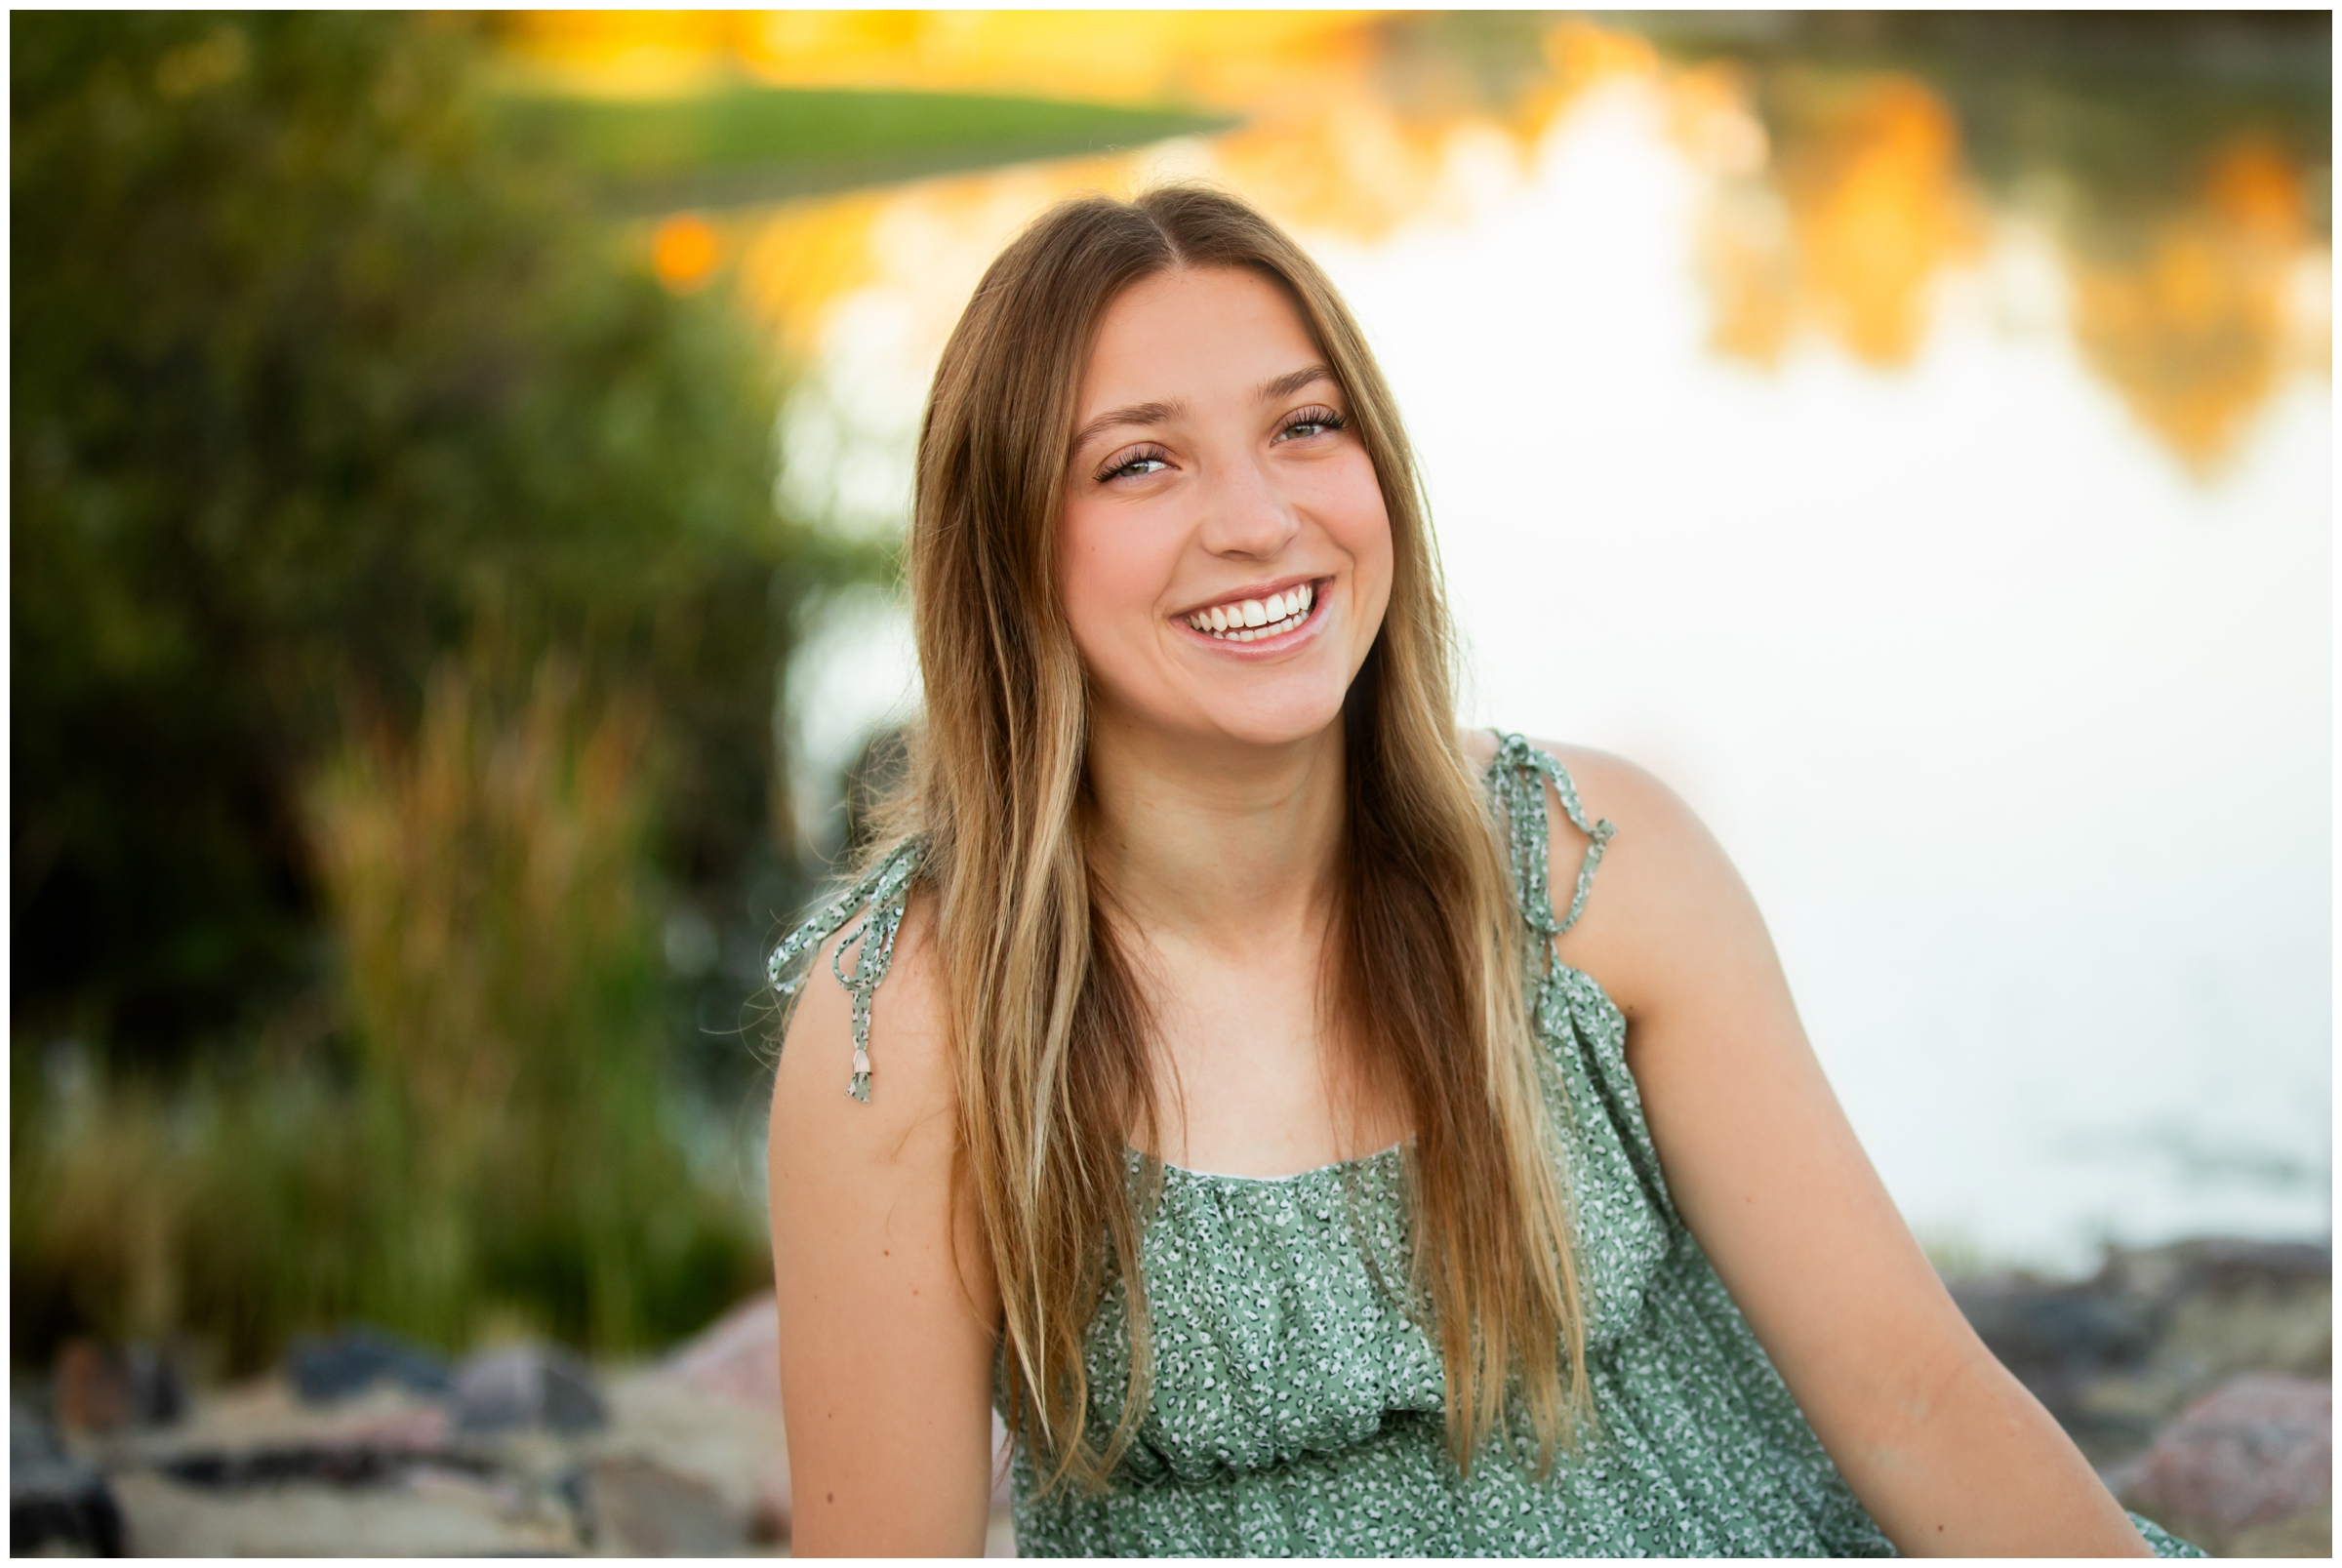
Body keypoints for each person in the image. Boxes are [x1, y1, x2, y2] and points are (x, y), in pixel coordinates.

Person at [764, 185, 2201, 1557]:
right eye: (1141, 460)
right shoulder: (912, 1022)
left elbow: (1916, 1396)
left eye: (1306, 427)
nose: (1259, 521)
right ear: (1007, 553)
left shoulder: (1588, 871)